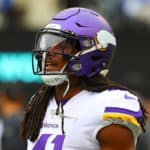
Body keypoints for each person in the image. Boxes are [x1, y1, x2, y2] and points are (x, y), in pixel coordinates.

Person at [21, 7, 147, 150]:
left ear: (94, 49)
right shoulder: (39, 102)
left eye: (62, 45)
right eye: (48, 43)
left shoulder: (109, 104)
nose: (48, 52)